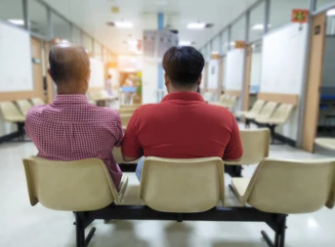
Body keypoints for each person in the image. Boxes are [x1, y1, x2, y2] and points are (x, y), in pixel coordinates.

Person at [121, 46, 243, 180]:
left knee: (143, 164)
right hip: (206, 195)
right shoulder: (225, 116)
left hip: (157, 195)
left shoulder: (142, 114)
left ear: (166, 78)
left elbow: (128, 156)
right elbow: (235, 157)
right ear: (200, 79)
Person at [25, 42, 124, 189]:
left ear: (50, 74)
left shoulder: (33, 117)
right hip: (101, 191)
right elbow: (119, 143)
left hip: (53, 190)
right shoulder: (110, 117)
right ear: (88, 75)